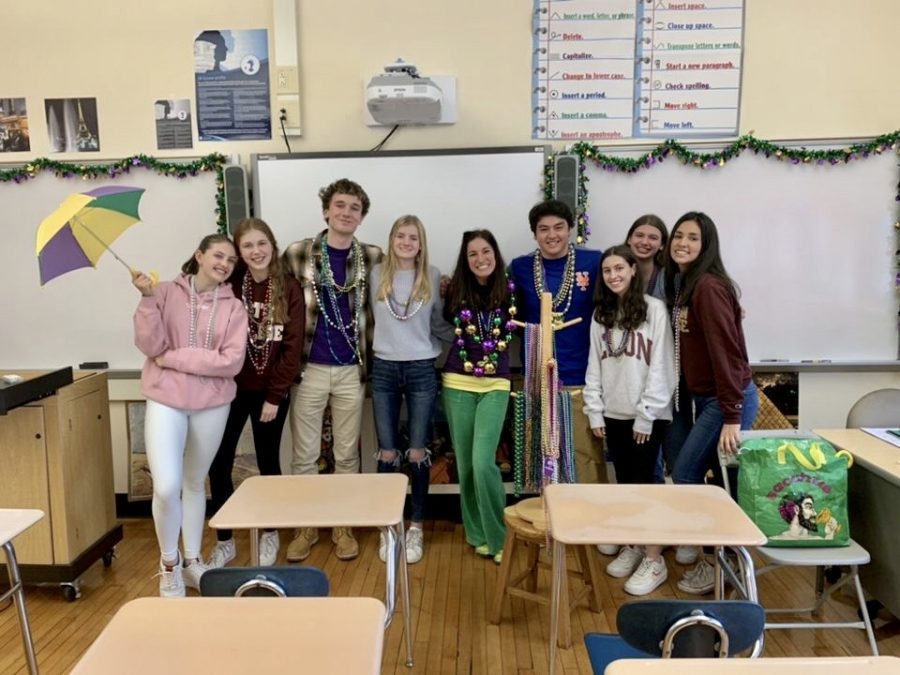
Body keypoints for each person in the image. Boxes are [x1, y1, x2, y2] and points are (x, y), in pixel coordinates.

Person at [132, 234, 247, 597]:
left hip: (212, 404)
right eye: (218, 255)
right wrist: (146, 298)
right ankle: (169, 565)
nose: (225, 264)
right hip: (166, 400)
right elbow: (150, 347)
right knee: (166, 486)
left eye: (231, 260)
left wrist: (174, 358)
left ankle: (193, 560)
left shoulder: (234, 307)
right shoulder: (163, 293)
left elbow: (230, 362)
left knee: (195, 482)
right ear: (198, 255)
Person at [282, 178, 383, 562]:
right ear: (326, 210)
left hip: (350, 370)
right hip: (308, 369)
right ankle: (306, 527)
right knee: (304, 456)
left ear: (361, 216)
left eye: (354, 208)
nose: (346, 213)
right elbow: (275, 294)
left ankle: (343, 526)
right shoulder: (297, 253)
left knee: (347, 455)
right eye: (339, 205)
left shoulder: (373, 257)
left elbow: (403, 285)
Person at [664, 211, 759, 594]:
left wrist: (732, 415)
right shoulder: (686, 284)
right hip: (710, 401)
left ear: (707, 246)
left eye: (693, 238)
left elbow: (727, 354)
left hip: (726, 403)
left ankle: (716, 564)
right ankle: (730, 565)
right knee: (721, 484)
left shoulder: (707, 287)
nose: (682, 243)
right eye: (678, 236)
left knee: (687, 477)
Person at [205, 218, 305, 569]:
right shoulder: (230, 283)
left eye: (261, 243)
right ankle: (225, 539)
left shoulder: (288, 288)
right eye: (247, 246)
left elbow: (292, 348)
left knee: (268, 462)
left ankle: (270, 532)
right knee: (219, 463)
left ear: (272, 245)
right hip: (230, 391)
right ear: (238, 252)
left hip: (269, 393)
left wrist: (274, 397)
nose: (256, 251)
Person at [582, 245, 676, 595]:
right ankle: (635, 545)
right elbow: (596, 364)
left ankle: (655, 558)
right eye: (607, 271)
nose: (614, 276)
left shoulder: (655, 311)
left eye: (619, 268)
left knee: (645, 487)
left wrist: (646, 415)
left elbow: (662, 366)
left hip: (645, 416)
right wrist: (594, 408)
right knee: (624, 484)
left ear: (634, 270)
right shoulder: (601, 315)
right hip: (614, 413)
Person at [508, 199, 605, 484]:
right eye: (543, 229)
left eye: (559, 227)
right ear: (534, 234)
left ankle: (591, 522)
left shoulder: (594, 261)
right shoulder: (520, 267)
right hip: (539, 378)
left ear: (570, 229)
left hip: (582, 378)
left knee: (584, 457)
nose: (552, 235)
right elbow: (510, 314)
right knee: (545, 459)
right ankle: (552, 520)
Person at [371, 215, 450, 564]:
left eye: (413, 237)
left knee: (417, 451)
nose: (406, 242)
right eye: (400, 236)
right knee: (388, 452)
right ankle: (388, 527)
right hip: (384, 368)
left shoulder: (432, 276)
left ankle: (415, 526)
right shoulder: (375, 275)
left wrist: (454, 343)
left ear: (421, 243)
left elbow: (439, 324)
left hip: (421, 369)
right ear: (391, 240)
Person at [442, 229, 518, 564]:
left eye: (485, 251)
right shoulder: (454, 289)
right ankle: (476, 533)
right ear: (465, 259)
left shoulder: (511, 288)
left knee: (483, 462)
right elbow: (443, 324)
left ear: (495, 253)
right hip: (458, 381)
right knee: (466, 464)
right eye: (472, 254)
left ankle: (500, 537)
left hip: (497, 382)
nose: (480, 259)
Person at [625, 214, 668, 300]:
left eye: (653, 238)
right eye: (639, 235)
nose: (644, 242)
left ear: (662, 245)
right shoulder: (614, 272)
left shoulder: (669, 279)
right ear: (629, 239)